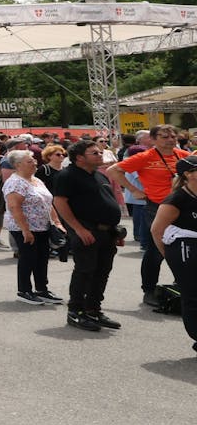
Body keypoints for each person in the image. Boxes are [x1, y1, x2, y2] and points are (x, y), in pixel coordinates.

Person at [108, 124, 189, 307]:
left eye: (172, 136)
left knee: (184, 247)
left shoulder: (182, 155)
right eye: (164, 136)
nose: (170, 139)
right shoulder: (145, 157)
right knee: (156, 250)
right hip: (157, 207)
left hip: (182, 206)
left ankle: (182, 284)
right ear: (153, 139)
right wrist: (134, 190)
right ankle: (149, 290)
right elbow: (113, 171)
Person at [52, 139, 125, 332]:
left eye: (100, 152)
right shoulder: (68, 176)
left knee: (102, 273)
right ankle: (76, 312)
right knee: (85, 272)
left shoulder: (99, 175)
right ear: (79, 158)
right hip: (86, 231)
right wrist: (78, 229)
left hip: (106, 232)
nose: (100, 155)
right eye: (95, 153)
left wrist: (114, 230)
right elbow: (59, 202)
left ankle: (93, 309)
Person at [2, 149, 63, 306]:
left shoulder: (36, 180)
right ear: (18, 165)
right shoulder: (15, 182)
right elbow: (15, 207)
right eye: (30, 161)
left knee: (42, 258)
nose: (35, 163)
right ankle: (24, 290)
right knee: (28, 258)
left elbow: (48, 203)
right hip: (23, 227)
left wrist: (57, 223)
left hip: (42, 226)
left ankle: (42, 290)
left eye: (34, 160)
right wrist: (25, 230)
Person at [150, 156, 197, 354]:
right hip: (185, 249)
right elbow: (157, 230)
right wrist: (171, 258)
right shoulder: (176, 199)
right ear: (188, 174)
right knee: (193, 296)